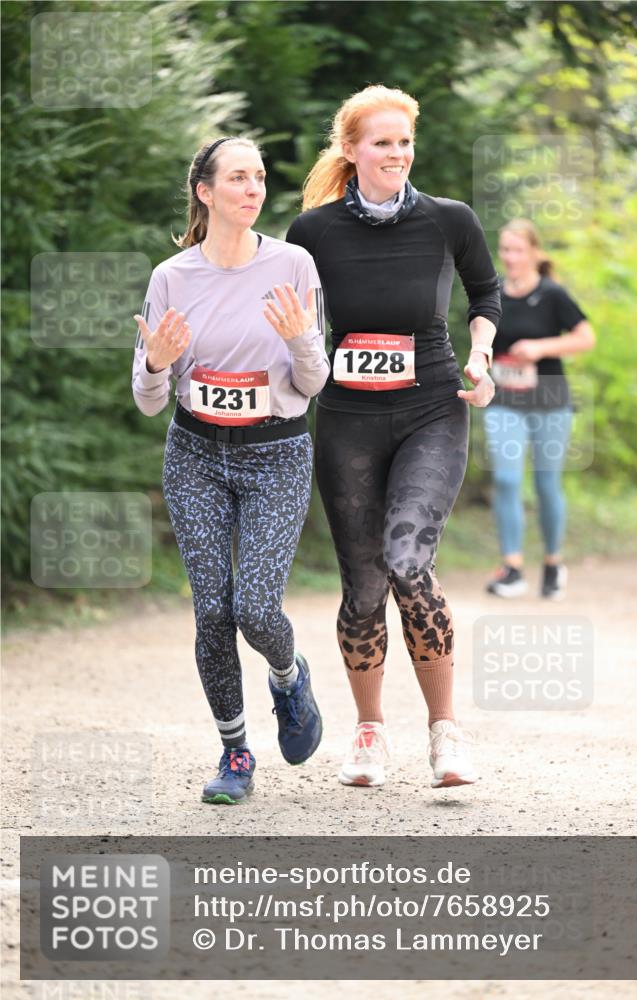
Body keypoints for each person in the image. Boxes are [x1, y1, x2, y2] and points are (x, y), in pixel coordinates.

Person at [286, 85, 501, 790]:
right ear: (351, 151)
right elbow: (289, 320)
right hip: (347, 418)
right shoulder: (313, 232)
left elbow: (485, 293)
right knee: (361, 587)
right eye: (382, 143)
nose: (397, 154)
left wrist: (481, 353)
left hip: (431, 408)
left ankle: (444, 733)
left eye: (404, 142)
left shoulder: (449, 219)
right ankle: (370, 735)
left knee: (408, 559)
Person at [131, 136, 330, 804]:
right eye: (238, 178)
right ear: (205, 192)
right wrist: (156, 363)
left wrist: (303, 340)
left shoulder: (294, 264)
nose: (253, 188)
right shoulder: (171, 277)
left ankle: (286, 676)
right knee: (211, 612)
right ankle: (235, 753)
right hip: (194, 455)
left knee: (254, 607)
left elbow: (311, 382)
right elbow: (149, 399)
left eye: (260, 178)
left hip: (275, 454)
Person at [483, 219, 595, 600]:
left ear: (534, 253)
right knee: (507, 479)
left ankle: (552, 563)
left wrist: (541, 348)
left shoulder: (552, 294)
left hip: (549, 400)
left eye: (518, 250)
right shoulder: (493, 293)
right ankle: (512, 567)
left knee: (547, 484)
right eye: (506, 250)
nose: (511, 257)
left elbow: (585, 338)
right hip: (504, 401)